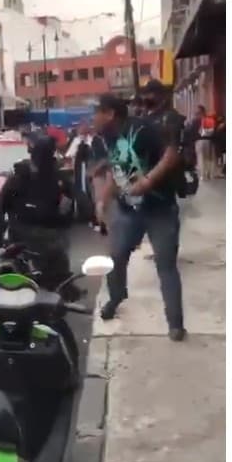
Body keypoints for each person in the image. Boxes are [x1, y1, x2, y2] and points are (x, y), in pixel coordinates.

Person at [93, 93, 187, 341]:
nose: (94, 118)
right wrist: (104, 199)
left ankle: (175, 324)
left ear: (110, 114)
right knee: (116, 258)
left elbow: (171, 155)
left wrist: (148, 182)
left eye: (97, 112)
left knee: (166, 266)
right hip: (129, 211)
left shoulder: (143, 128)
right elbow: (118, 169)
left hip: (160, 210)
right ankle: (116, 297)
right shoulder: (109, 137)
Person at [2, 133, 76, 297]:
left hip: (26, 232)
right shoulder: (57, 177)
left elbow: (4, 202)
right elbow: (68, 208)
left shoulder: (19, 176)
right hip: (46, 234)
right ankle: (63, 290)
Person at [192, 106, 218, 180]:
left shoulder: (195, 121)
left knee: (201, 158)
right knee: (210, 158)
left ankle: (203, 175)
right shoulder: (210, 120)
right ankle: (210, 174)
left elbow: (191, 131)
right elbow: (214, 131)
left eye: (197, 113)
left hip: (199, 141)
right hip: (209, 141)